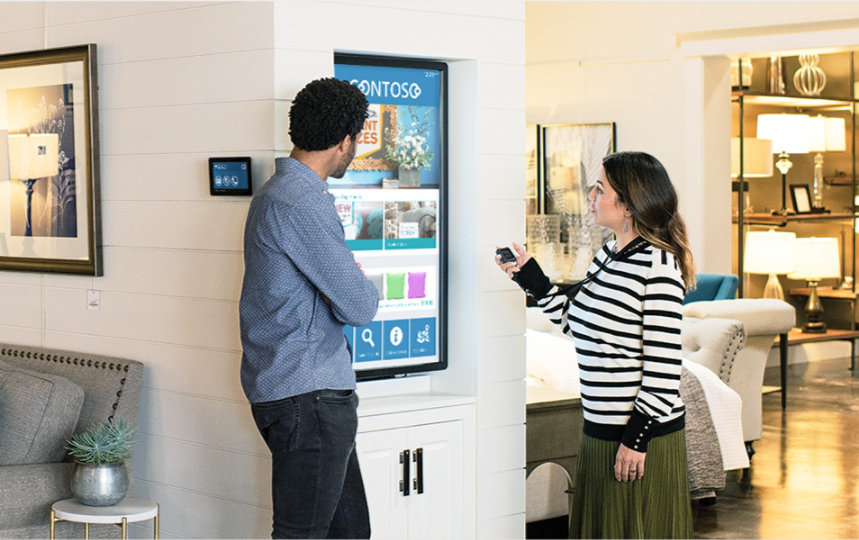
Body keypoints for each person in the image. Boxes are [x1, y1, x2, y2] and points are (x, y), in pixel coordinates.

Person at [497, 151, 696, 538]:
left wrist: (636, 439)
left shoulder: (658, 266)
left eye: (600, 189)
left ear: (628, 205)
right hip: (599, 430)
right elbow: (577, 326)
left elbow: (663, 366)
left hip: (640, 439)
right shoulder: (607, 256)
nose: (590, 195)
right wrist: (531, 278)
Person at [240, 77, 379, 539]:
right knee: (300, 535)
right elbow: (359, 305)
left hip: (301, 392)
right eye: (355, 141)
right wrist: (352, 280)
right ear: (345, 141)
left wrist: (339, 283)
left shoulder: (276, 194)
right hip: (310, 395)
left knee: (350, 533)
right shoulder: (301, 202)